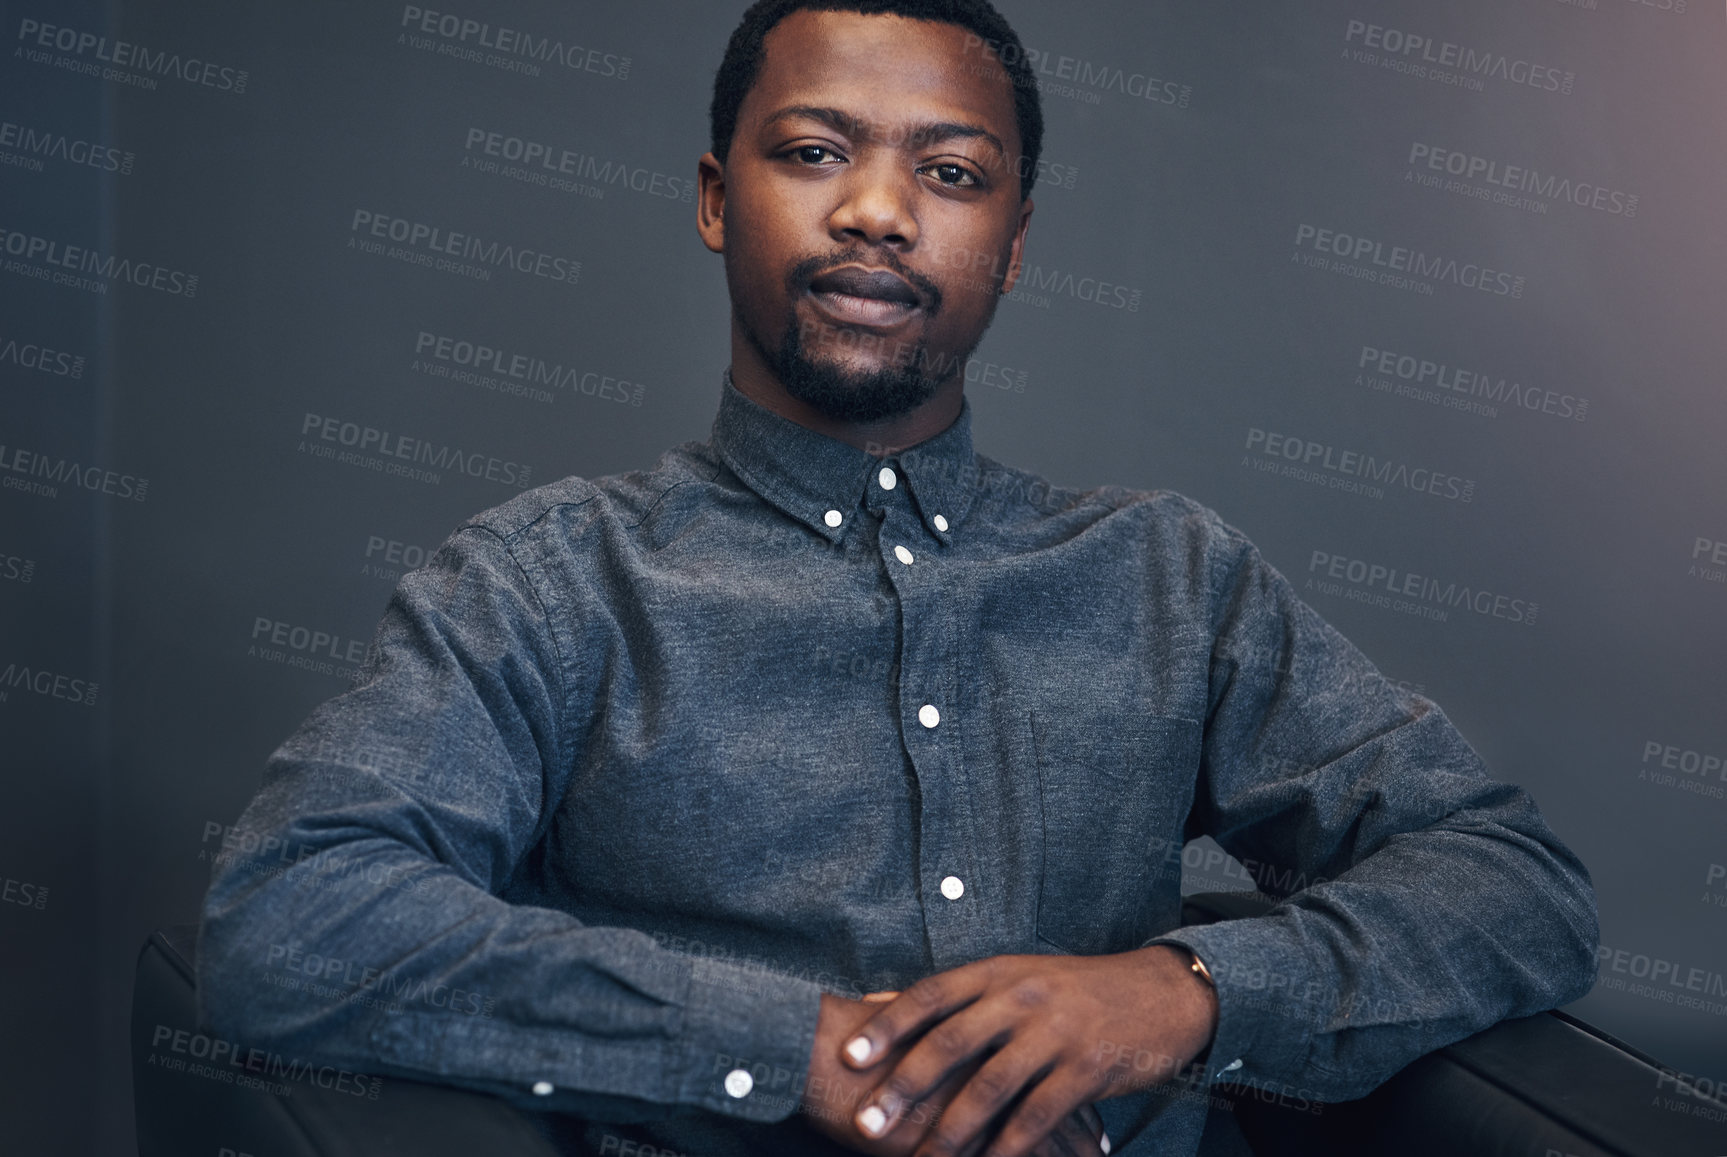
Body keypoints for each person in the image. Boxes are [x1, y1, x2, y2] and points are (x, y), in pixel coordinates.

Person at [197, 2, 1600, 1154]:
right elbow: (292, 915)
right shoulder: (556, 581)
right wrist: (794, 1049)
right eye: (815, 152)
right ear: (713, 196)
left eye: (951, 173)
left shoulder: (1168, 577)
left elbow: (1517, 885)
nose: (878, 212)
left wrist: (1178, 993)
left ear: (1014, 243)